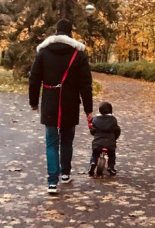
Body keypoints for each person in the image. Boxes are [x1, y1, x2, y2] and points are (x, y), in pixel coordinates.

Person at [29, 19, 93, 194]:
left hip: (50, 101)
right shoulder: (78, 55)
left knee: (51, 142)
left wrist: (34, 102)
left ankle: (52, 182)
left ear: (56, 33)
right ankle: (65, 173)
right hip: (70, 102)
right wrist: (89, 110)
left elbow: (34, 79)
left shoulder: (43, 52)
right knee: (67, 140)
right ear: (71, 33)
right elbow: (86, 85)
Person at [88, 101, 121, 176]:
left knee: (94, 153)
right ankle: (111, 166)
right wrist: (115, 138)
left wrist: (94, 134)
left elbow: (92, 130)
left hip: (97, 142)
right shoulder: (113, 120)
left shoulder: (95, 119)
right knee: (112, 155)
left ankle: (93, 163)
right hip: (110, 143)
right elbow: (117, 130)